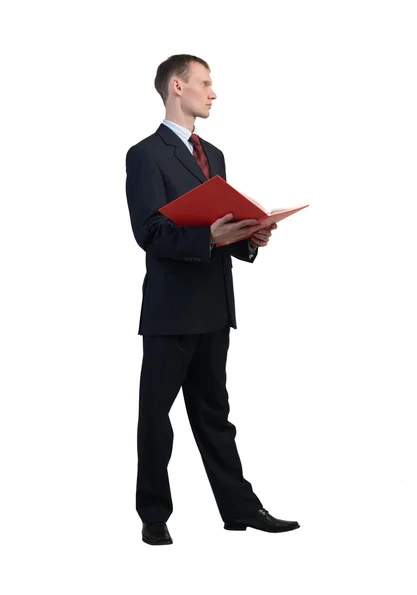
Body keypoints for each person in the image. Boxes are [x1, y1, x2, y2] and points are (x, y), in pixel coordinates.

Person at [125, 54, 300, 545]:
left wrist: (249, 237)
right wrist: (210, 238)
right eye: (205, 82)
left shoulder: (215, 155)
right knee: (155, 420)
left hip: (213, 306)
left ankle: (240, 509)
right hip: (170, 310)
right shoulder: (146, 155)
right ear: (177, 87)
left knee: (215, 416)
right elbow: (150, 232)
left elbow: (221, 223)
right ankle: (154, 514)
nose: (213, 92)